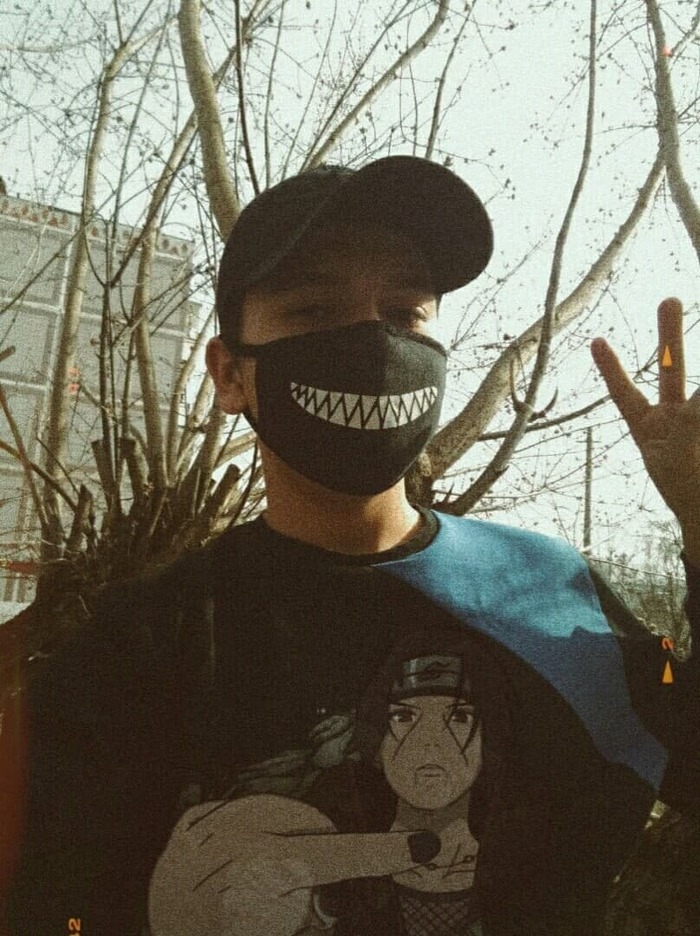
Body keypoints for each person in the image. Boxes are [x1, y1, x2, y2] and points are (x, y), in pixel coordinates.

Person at [4, 155, 700, 936]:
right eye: (313, 310)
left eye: (405, 312)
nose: (372, 340)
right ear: (230, 375)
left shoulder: (551, 590)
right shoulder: (135, 648)